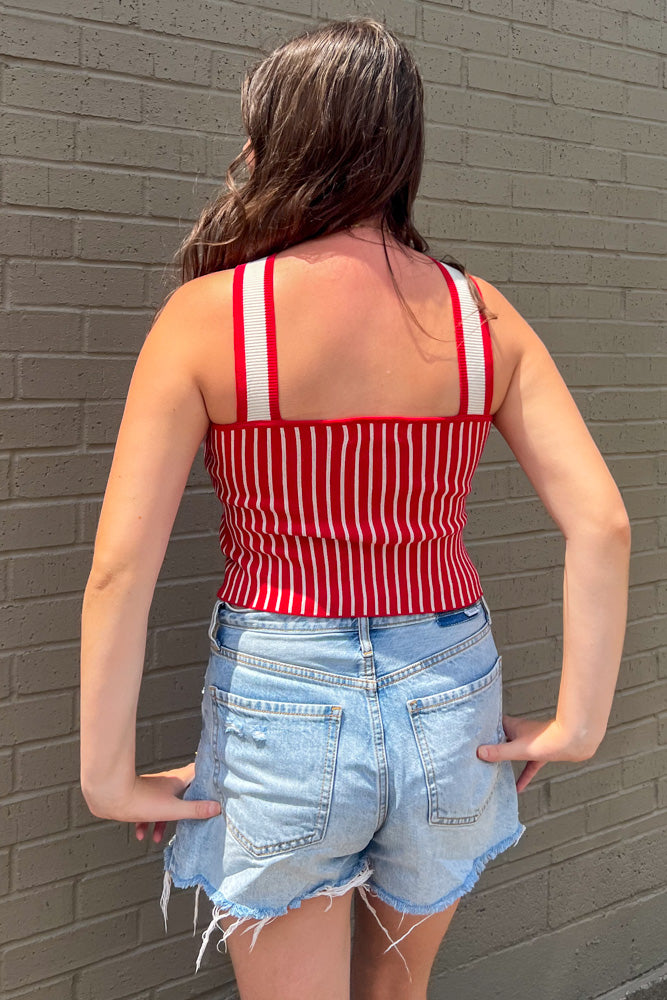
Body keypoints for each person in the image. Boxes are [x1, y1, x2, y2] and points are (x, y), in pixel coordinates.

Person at [79, 16, 631, 1000]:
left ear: (282, 144)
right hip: (448, 691)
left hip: (279, 692)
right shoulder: (481, 315)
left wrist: (105, 774)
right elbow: (602, 522)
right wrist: (578, 722)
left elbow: (122, 568)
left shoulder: (211, 319)